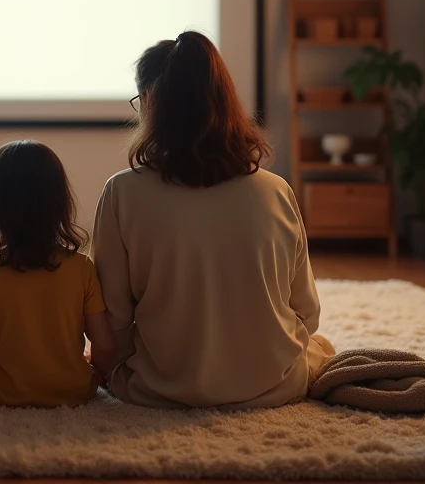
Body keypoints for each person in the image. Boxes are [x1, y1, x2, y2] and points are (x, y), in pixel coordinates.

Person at [93, 31, 333, 410]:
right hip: (275, 385)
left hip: (158, 389)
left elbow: (114, 322)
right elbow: (307, 313)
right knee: (321, 348)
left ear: (151, 103)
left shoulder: (121, 193)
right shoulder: (276, 191)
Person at [0, 140, 116, 408]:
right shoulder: (82, 267)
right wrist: (97, 372)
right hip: (75, 390)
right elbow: (103, 345)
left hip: (2, 392)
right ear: (60, 203)